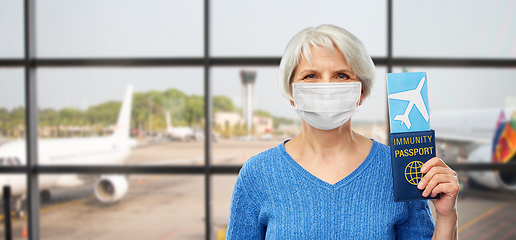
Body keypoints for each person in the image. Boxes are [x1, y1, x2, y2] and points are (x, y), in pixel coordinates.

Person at [226, 24, 459, 239]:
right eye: (311, 76)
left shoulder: (398, 168)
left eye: (341, 75)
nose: (327, 87)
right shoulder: (258, 174)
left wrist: (447, 218)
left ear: (361, 92)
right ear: (291, 92)